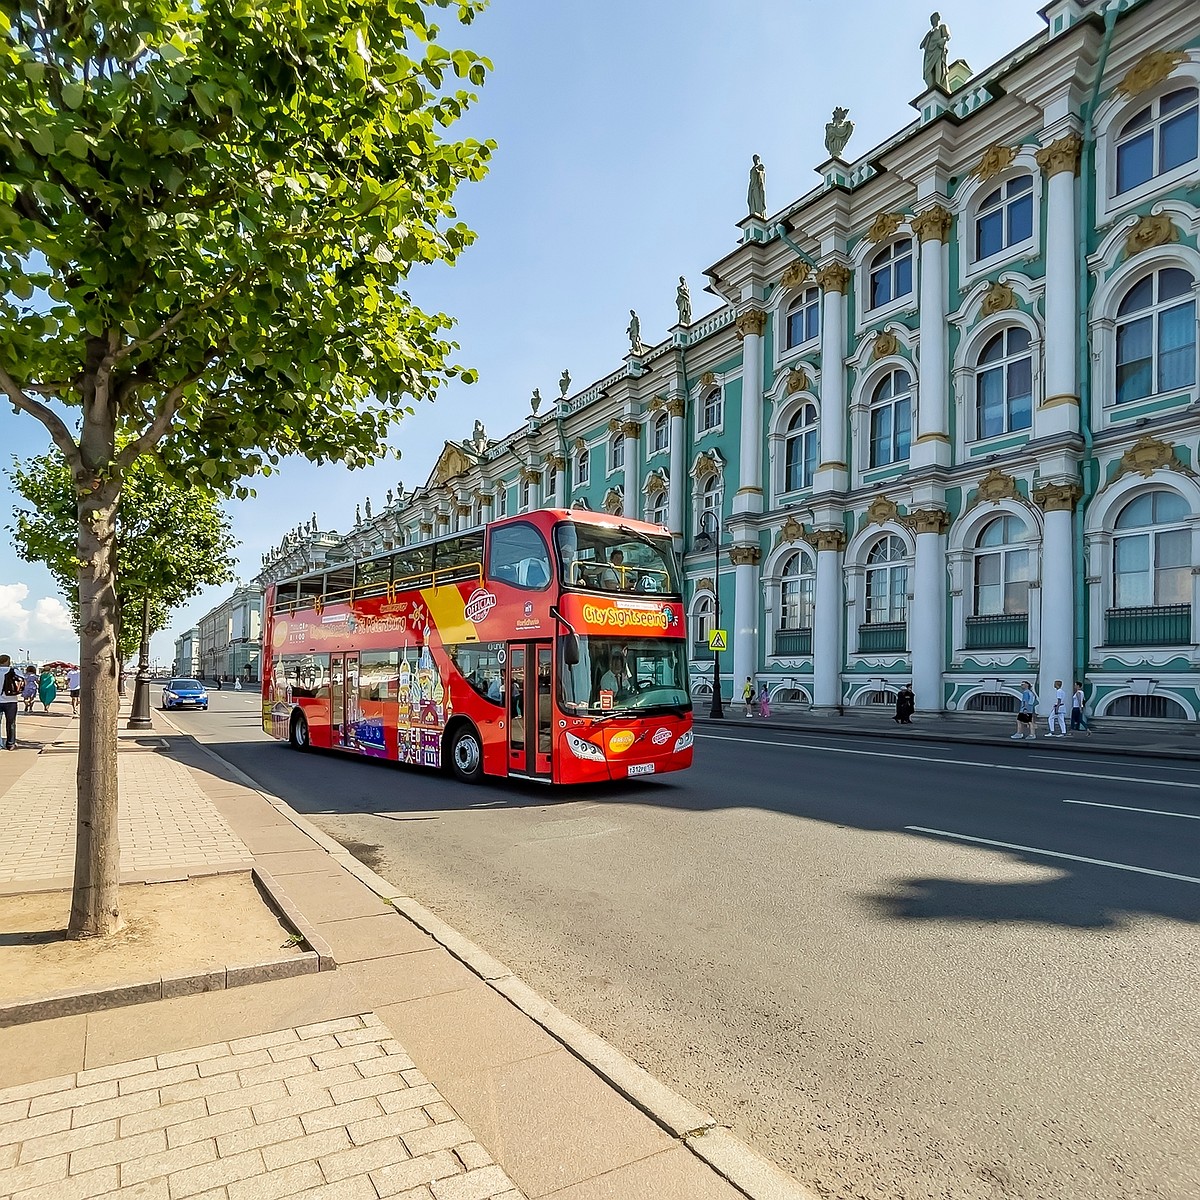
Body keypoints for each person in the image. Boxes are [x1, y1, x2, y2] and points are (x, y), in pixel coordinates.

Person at [0, 654, 20, 750]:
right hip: (11, 700)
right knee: (11, 723)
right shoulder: (14, 671)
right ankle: (10, 743)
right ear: (7, 661)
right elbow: (23, 681)